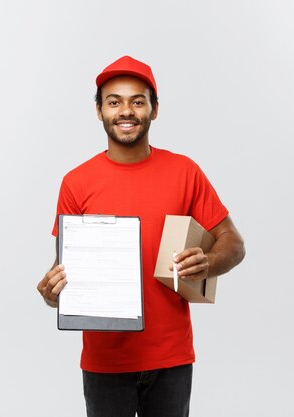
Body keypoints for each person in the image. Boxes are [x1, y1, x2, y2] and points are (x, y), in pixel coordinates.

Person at [37, 55, 245, 417]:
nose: (126, 111)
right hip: (105, 361)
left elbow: (234, 244)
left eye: (138, 100)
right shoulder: (76, 182)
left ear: (155, 109)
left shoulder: (185, 171)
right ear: (99, 111)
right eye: (114, 101)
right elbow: (66, 268)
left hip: (170, 357)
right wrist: (52, 293)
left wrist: (208, 261)